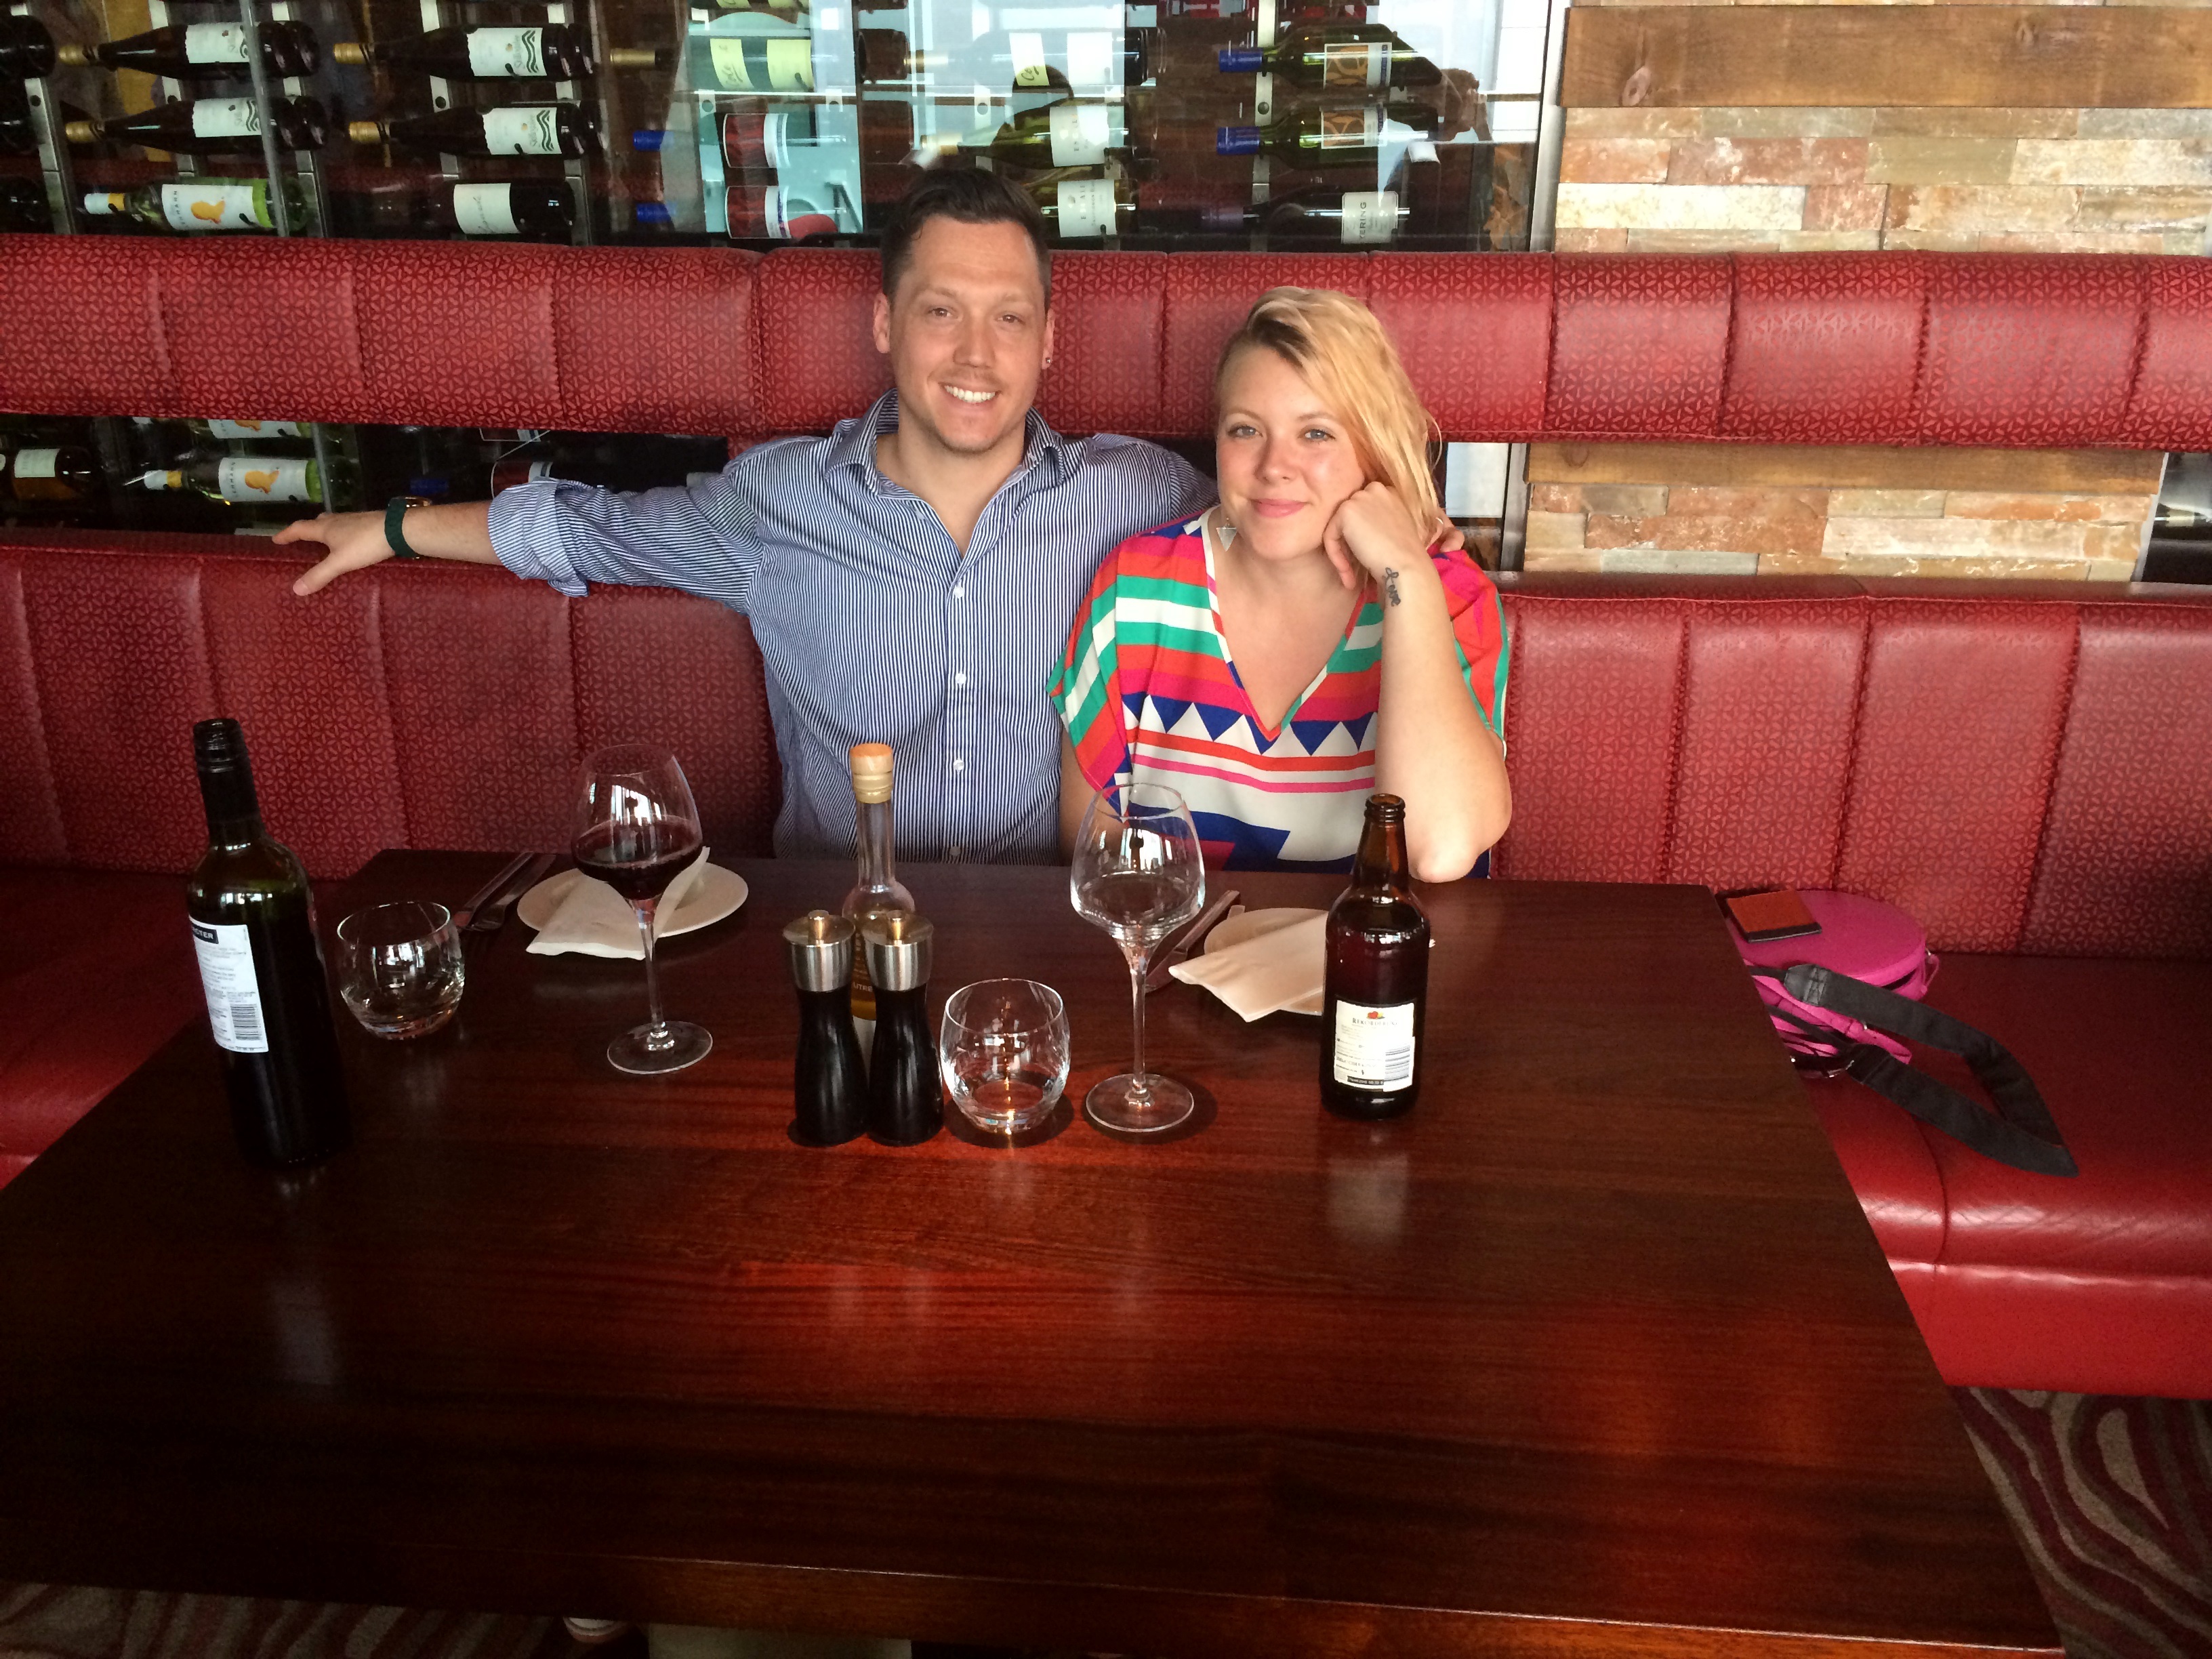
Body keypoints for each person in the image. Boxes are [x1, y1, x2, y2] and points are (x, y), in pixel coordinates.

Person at [276, 169, 1214, 862]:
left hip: (1049, 937)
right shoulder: (781, 499)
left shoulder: (1136, 496)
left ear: (1048, 340)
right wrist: (392, 529)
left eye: (1009, 317)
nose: (976, 352)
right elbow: (594, 529)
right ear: (884, 324)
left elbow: (1268, 516)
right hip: (842, 939)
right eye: (941, 312)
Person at [1050, 287, 1511, 881]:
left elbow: (1437, 850)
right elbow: (1093, 846)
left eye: (1316, 433)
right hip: (1186, 938)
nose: (1273, 467)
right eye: (1246, 430)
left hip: (1376, 942)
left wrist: (1405, 575)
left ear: (1374, 446)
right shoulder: (1137, 586)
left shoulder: (1445, 595)